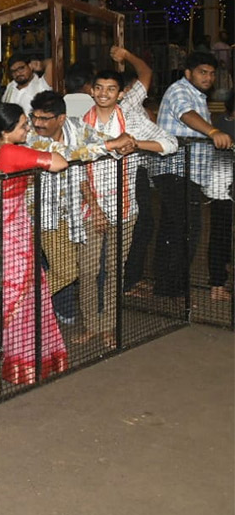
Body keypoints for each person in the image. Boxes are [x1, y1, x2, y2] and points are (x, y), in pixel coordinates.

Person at [82, 52, 177, 338]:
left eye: (111, 89)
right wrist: (94, 207)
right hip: (90, 208)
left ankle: (109, 326)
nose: (103, 94)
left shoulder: (132, 119)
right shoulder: (80, 124)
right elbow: (75, 168)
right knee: (87, 271)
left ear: (120, 93)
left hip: (124, 209)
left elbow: (170, 143)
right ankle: (91, 325)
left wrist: (137, 145)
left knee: (114, 271)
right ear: (91, 90)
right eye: (99, 88)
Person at [0, 103, 70, 384]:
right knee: (20, 292)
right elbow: (58, 163)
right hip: (10, 229)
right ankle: (21, 359)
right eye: (22, 125)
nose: (27, 128)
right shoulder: (10, 150)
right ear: (7, 131)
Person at [26, 90, 134, 326]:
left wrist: (123, 141)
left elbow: (100, 139)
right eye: (35, 117)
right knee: (67, 271)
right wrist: (111, 144)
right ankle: (24, 306)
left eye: (44, 118)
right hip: (46, 215)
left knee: (77, 268)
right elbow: (66, 155)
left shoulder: (75, 126)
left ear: (61, 118)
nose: (37, 123)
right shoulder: (32, 137)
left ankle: (35, 307)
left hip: (74, 213)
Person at [154, 51, 233, 301]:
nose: (208, 77)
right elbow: (186, 115)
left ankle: (166, 285)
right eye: (202, 72)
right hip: (176, 170)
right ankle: (175, 286)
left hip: (188, 173)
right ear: (188, 73)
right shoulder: (180, 91)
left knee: (171, 228)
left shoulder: (198, 96)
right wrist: (212, 131)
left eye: (211, 73)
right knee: (188, 228)